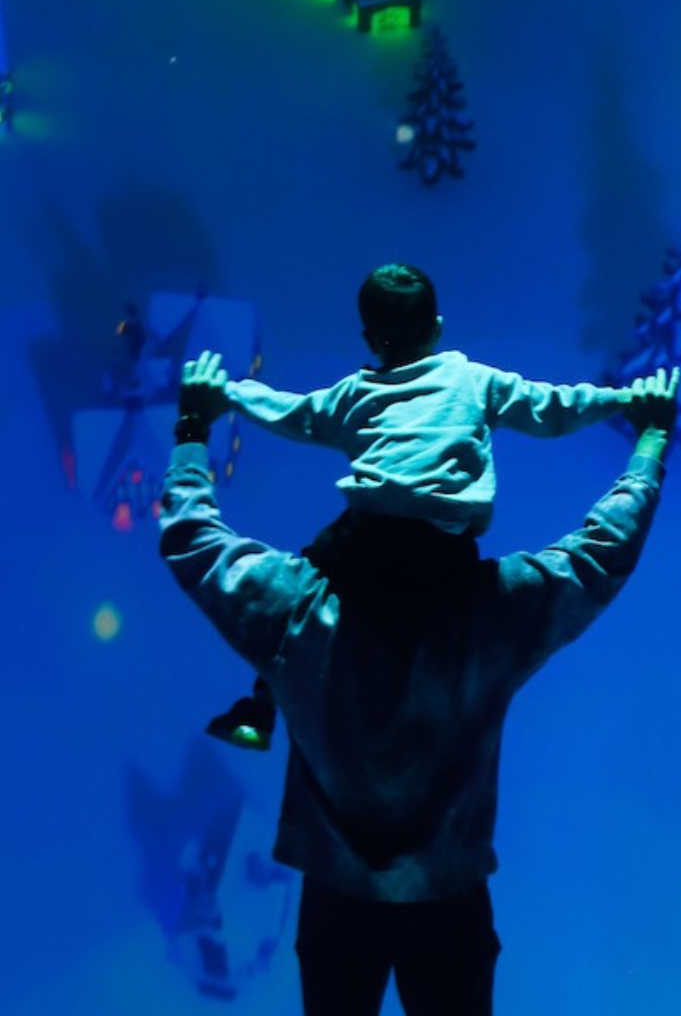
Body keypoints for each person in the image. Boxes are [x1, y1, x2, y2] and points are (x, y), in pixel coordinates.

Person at [160, 349, 679, 1016]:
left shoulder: (294, 606)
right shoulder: (493, 615)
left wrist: (191, 432)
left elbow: (192, 538)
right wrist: (651, 442)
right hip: (447, 905)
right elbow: (600, 553)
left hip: (337, 904)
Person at [205, 262, 644, 750]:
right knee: (466, 626)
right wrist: (624, 399)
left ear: (370, 338)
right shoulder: (471, 381)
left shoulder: (355, 395)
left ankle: (262, 707)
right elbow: (552, 408)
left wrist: (229, 394)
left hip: (363, 543)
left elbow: (291, 412)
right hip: (441, 547)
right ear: (437, 328)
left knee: (297, 602)